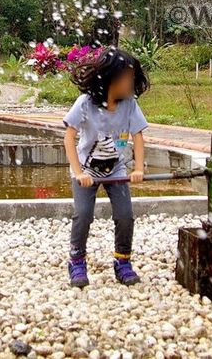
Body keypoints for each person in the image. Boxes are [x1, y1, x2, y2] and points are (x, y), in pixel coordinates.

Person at [62, 46, 150, 288]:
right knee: (83, 215)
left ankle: (123, 261)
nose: (130, 83)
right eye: (127, 78)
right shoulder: (85, 104)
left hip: (117, 170)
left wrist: (138, 168)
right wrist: (79, 172)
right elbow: (69, 137)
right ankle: (77, 261)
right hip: (86, 171)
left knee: (125, 216)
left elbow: (139, 136)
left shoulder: (129, 105)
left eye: (133, 78)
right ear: (111, 77)